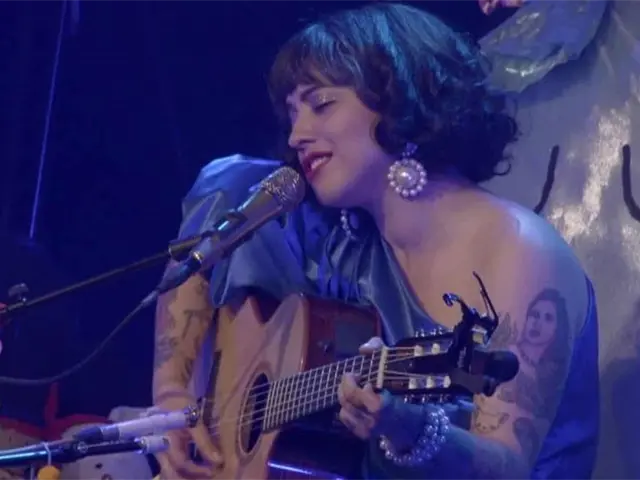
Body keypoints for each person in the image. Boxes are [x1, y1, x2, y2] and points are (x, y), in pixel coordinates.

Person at [152, 2, 599, 479]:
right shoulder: (346, 244)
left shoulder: (520, 251)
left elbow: (508, 467)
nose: (298, 135)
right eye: (292, 114)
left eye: (321, 104)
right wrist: (173, 396)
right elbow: (225, 200)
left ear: (401, 100)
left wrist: (411, 429)